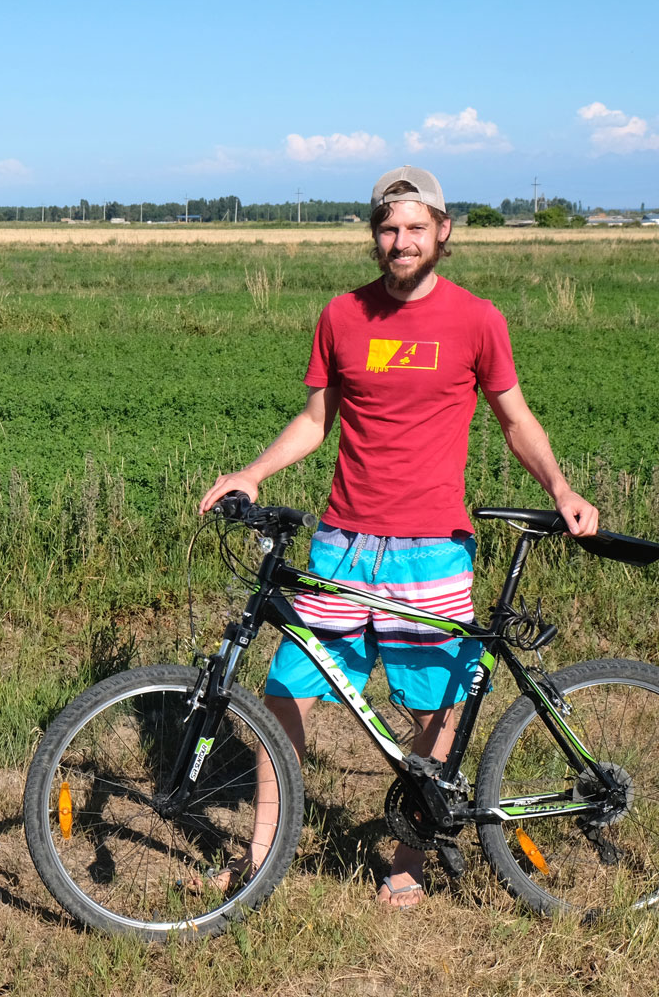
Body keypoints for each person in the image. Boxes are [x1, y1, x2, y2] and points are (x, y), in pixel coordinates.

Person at [196, 165, 599, 908]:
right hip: (342, 544)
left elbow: (515, 420)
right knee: (285, 698)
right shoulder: (342, 315)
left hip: (432, 547)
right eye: (388, 228)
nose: (400, 241)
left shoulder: (477, 319)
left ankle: (411, 855)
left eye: (416, 227)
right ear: (373, 235)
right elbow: (317, 420)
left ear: (443, 233)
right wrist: (250, 472)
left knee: (433, 709)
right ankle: (261, 859)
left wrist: (562, 489)